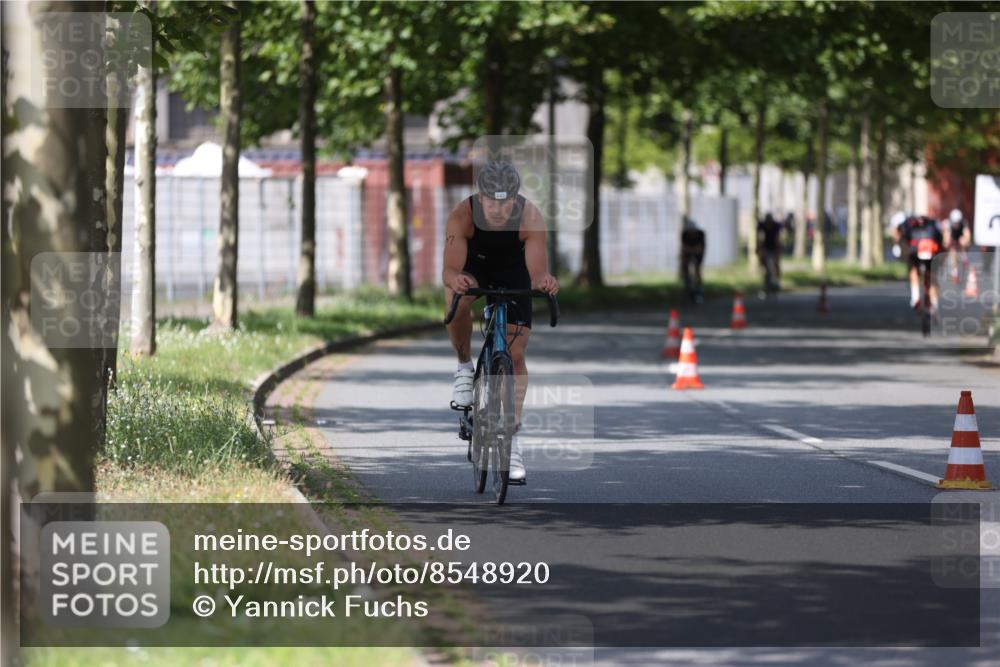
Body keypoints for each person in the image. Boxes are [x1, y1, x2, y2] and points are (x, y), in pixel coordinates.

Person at [442, 161, 559, 482]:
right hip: (474, 265)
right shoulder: (462, 215)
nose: (497, 208)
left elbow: (536, 272)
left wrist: (545, 281)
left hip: (513, 270)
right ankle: (465, 368)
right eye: (491, 201)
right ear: (480, 198)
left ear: (515, 199)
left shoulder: (530, 216)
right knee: (457, 300)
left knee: (517, 356)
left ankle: (512, 441)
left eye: (505, 201)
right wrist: (456, 282)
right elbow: (449, 271)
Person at [893, 213, 944, 312]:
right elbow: (941, 239)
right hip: (930, 251)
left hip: (916, 252)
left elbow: (902, 238)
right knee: (932, 276)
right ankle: (934, 303)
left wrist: (899, 248)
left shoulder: (908, 225)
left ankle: (915, 297)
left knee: (914, 271)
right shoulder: (933, 224)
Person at [680, 218, 706, 302]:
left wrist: (690, 249)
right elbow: (683, 248)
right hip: (688, 252)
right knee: (685, 266)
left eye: (693, 232)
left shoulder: (701, 234)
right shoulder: (684, 234)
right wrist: (685, 259)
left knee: (697, 268)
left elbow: (700, 249)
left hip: (698, 253)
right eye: (690, 232)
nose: (691, 234)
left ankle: (699, 287)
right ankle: (687, 284)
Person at [944, 208, 972, 282]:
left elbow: (967, 235)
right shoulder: (948, 223)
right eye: (955, 223)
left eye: (958, 222)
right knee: (953, 253)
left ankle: (964, 256)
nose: (956, 224)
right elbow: (946, 237)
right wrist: (948, 243)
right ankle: (955, 273)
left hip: (960, 238)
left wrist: (966, 241)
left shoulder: (964, 222)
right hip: (952, 238)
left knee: (963, 241)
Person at [757, 213, 783, 291]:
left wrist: (778, 249)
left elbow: (778, 238)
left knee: (776, 263)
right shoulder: (762, 225)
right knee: (763, 260)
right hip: (766, 246)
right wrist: (758, 247)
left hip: (774, 246)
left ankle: (778, 281)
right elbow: (759, 237)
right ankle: (766, 278)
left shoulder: (776, 226)